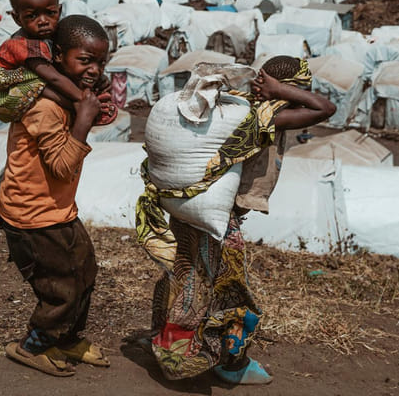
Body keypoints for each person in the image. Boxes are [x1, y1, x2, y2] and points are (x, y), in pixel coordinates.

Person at [137, 56, 336, 385]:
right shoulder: (264, 115)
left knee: (184, 275)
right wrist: (282, 90)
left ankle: (168, 339)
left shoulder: (235, 109)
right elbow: (325, 108)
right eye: (300, 90)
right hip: (217, 220)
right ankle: (229, 361)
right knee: (228, 289)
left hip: (189, 207)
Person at [0, 15, 110, 377]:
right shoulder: (42, 106)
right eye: (85, 60)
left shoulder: (64, 96)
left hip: (58, 211)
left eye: (100, 61)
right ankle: (31, 345)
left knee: (85, 272)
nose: (94, 69)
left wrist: (87, 109)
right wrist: (84, 119)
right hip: (30, 217)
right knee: (60, 287)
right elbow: (62, 166)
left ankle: (67, 338)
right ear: (58, 57)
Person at [0, 0, 115, 124]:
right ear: (17, 19)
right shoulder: (23, 45)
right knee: (43, 84)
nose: (43, 21)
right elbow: (54, 78)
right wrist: (84, 99)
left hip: (22, 81)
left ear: (59, 10)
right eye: (32, 16)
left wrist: (99, 80)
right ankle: (76, 108)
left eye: (50, 13)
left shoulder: (49, 34)